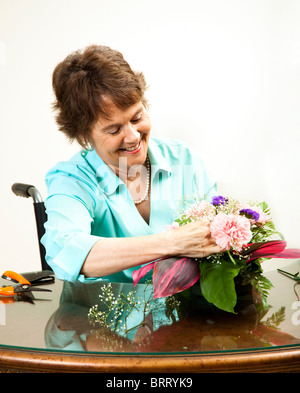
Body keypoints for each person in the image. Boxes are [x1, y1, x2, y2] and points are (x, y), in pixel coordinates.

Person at [41, 44, 220, 283]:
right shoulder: (72, 180)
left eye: (137, 117)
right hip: (103, 316)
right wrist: (172, 242)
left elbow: (217, 237)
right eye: (114, 129)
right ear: (84, 135)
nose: (134, 136)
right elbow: (66, 253)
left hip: (186, 315)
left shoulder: (184, 160)